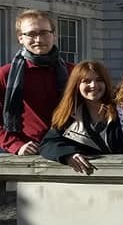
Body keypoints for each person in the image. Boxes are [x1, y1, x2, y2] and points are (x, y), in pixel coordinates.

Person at [0, 10, 72, 155]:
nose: (38, 40)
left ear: (54, 35)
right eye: (31, 34)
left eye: (44, 33)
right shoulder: (5, 74)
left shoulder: (73, 72)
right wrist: (15, 145)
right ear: (20, 38)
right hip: (28, 153)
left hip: (69, 149)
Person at [39, 60, 123, 172]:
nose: (93, 85)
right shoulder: (69, 117)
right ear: (77, 85)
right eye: (86, 81)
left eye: (99, 80)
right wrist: (69, 154)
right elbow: (48, 144)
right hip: (90, 178)